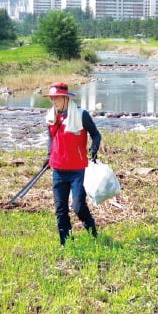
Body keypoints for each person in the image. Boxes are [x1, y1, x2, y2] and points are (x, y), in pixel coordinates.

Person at [43, 82, 102, 245]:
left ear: (65, 98)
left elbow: (96, 135)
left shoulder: (81, 115)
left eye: (56, 98)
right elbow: (51, 137)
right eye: (51, 99)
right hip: (58, 169)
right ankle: (66, 243)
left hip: (78, 170)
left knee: (77, 206)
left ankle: (92, 232)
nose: (54, 102)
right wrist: (49, 156)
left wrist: (94, 149)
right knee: (60, 210)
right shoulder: (51, 116)